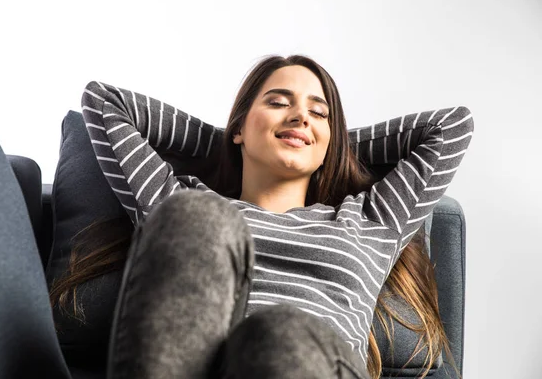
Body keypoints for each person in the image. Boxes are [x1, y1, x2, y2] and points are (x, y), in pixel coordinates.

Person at [51, 54, 473, 378]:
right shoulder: (178, 200)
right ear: (239, 127)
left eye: (319, 113)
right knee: (196, 216)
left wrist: (326, 142)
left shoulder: (369, 220)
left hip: (307, 362)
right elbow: (104, 101)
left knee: (278, 334)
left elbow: (453, 127)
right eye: (277, 102)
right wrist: (232, 140)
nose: (301, 116)